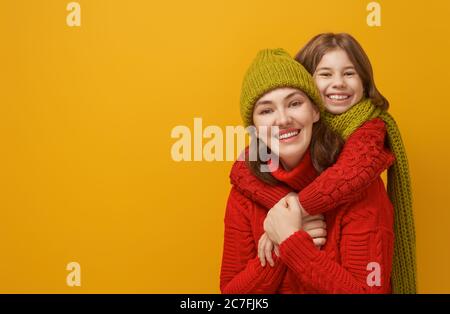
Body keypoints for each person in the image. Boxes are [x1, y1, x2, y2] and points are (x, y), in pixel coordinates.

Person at [229, 33, 416, 294]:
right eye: (266, 110)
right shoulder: (248, 182)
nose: (283, 119)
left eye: (294, 103)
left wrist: (290, 233)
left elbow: (351, 174)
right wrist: (285, 239)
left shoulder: (366, 148)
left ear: (313, 108)